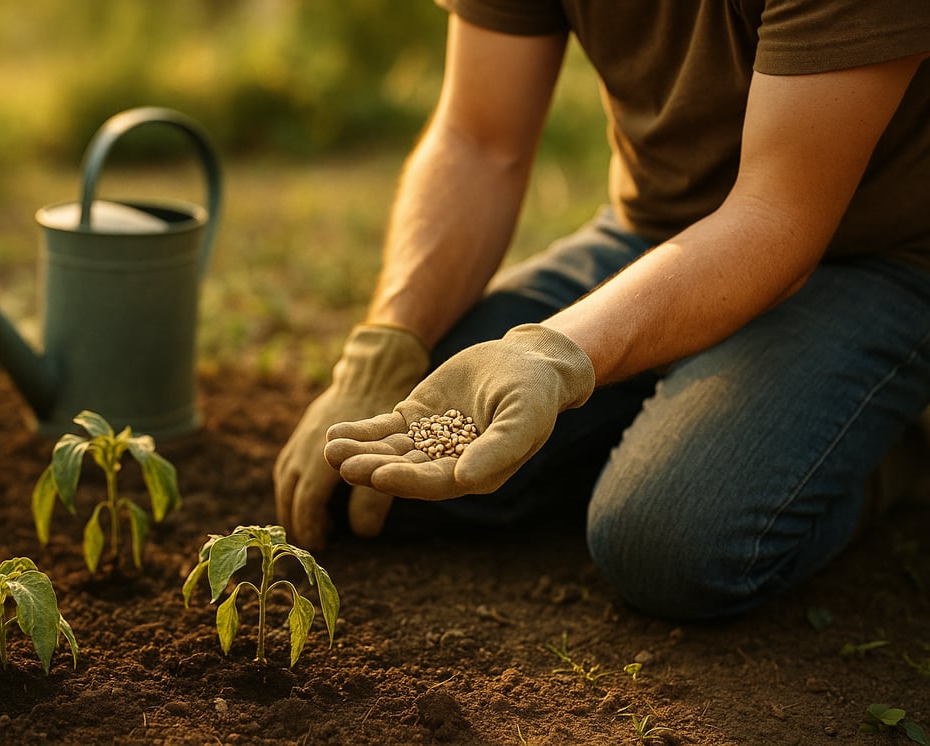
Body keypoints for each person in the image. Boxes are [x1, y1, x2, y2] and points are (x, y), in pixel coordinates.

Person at [274, 0, 930, 620]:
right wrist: (387, 345)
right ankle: (670, 410)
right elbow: (478, 141)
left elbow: (776, 216)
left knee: (665, 542)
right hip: (650, 233)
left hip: (874, 255)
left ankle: (886, 448)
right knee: (390, 482)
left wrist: (550, 355)